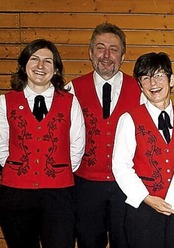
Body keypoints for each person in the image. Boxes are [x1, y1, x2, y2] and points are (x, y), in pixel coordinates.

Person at [111, 52, 174, 248]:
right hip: (144, 209)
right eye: (146, 77)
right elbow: (121, 166)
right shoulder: (129, 119)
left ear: (172, 80)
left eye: (159, 75)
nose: (153, 82)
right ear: (140, 85)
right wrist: (146, 198)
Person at [0, 39, 86, 248]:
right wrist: (19, 169)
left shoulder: (70, 101)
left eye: (48, 61)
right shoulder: (5, 102)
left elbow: (77, 146)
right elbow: (1, 147)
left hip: (59, 194)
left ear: (55, 69)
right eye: (34, 59)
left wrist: (56, 170)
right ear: (23, 66)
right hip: (16, 194)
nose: (40, 66)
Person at [67, 22, 141, 248]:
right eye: (100, 47)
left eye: (114, 49)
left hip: (126, 184)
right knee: (89, 242)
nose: (106, 55)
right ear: (91, 53)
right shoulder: (72, 90)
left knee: (125, 242)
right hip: (86, 185)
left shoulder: (140, 89)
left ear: (123, 55)